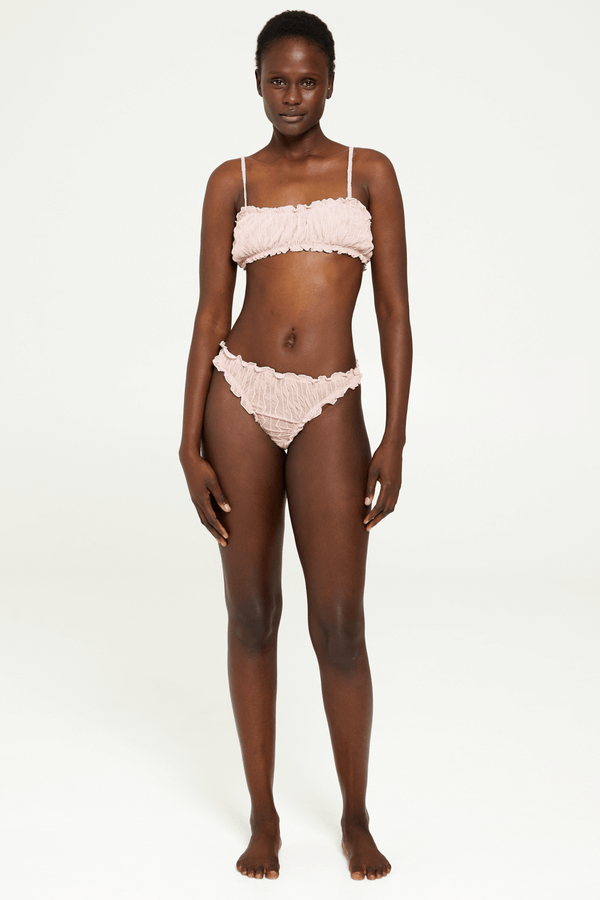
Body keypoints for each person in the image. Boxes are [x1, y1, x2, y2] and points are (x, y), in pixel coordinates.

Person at [179, 10, 412, 881]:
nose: (291, 96)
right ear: (257, 82)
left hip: (330, 404)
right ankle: (263, 817)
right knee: (251, 614)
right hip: (237, 395)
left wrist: (395, 435)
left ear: (331, 83)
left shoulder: (368, 173)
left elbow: (394, 313)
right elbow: (210, 312)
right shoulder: (231, 181)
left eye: (307, 81)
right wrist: (187, 441)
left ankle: (354, 816)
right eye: (277, 80)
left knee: (340, 623)